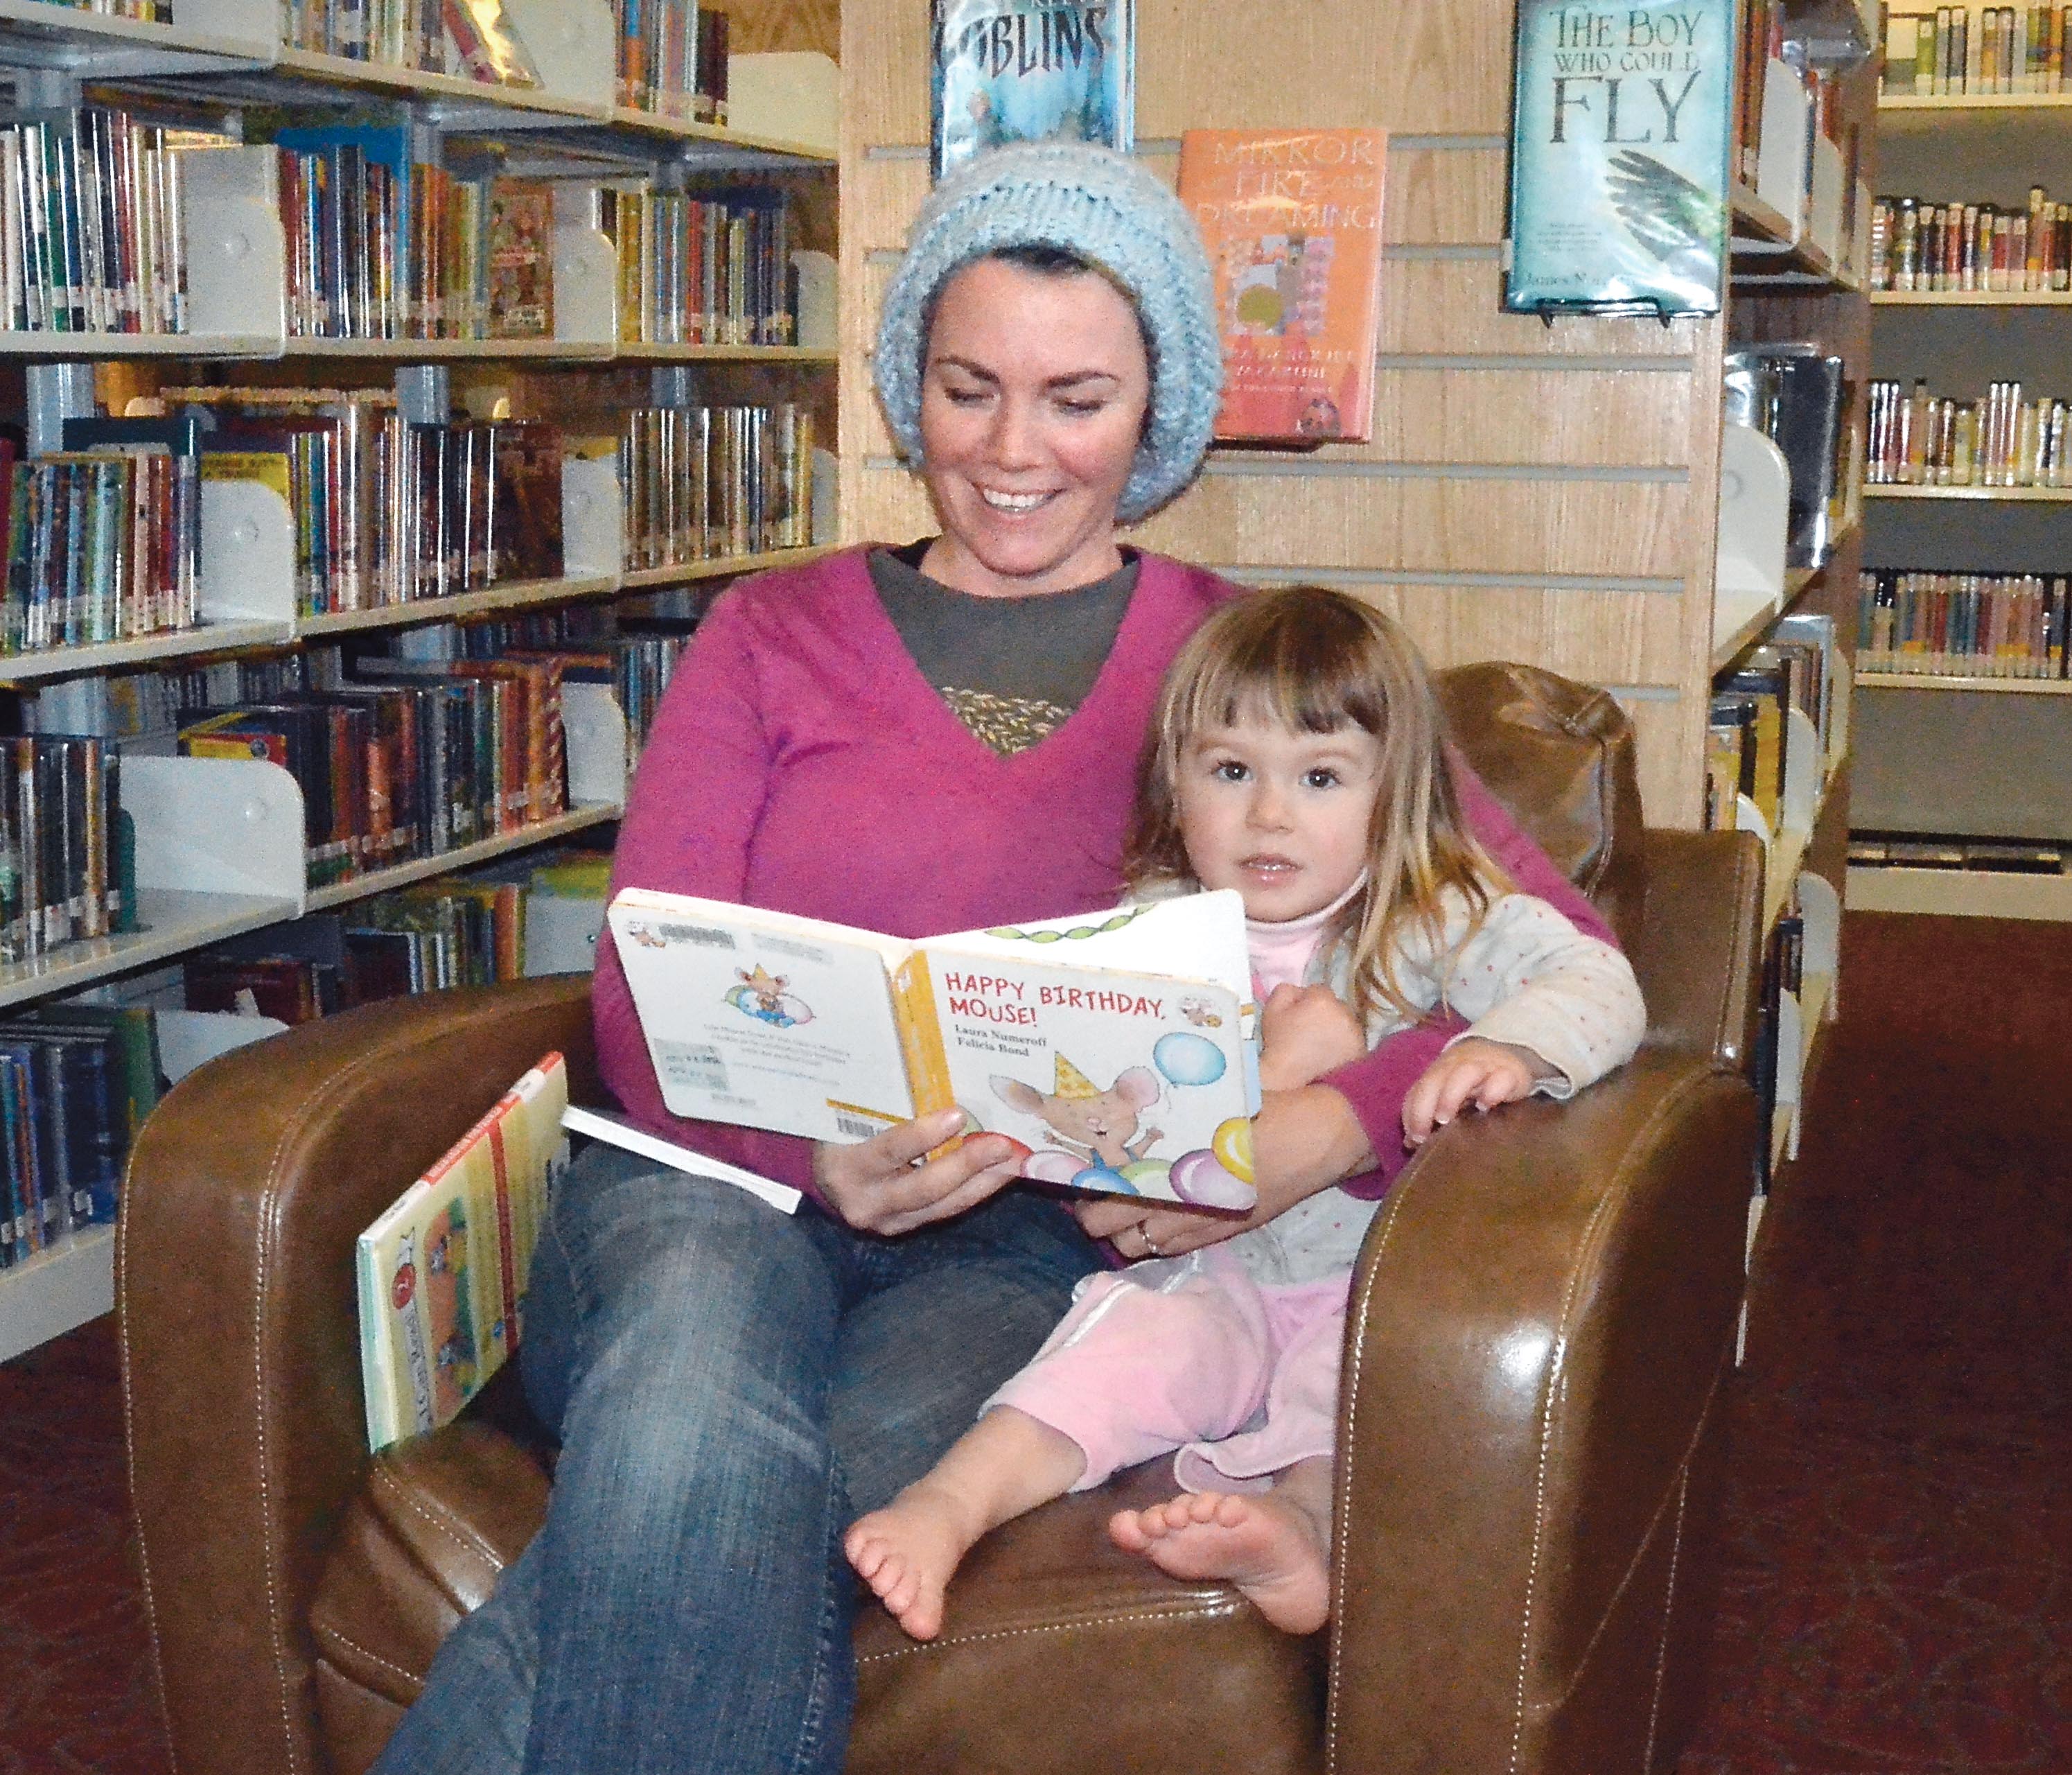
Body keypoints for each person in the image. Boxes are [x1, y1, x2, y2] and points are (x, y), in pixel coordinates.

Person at [371, 143, 1628, 1775]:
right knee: (691, 1418)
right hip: (715, 1188)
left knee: (809, 1479)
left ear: (1155, 409)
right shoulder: (772, 634)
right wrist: (808, 1156)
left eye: (1077, 399)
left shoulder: (1253, 668)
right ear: (910, 388)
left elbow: (1553, 946)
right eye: (968, 391)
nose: (1013, 452)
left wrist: (1331, 1125)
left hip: (1020, 1249)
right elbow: (641, 986)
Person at [843, 587, 1647, 1643]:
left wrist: (1502, 1046)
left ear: (1392, 793)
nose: (1269, 814)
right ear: (1174, 788)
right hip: (1203, 1275)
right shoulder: (1147, 928)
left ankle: (1297, 1531)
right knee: (1107, 1354)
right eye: (1231, 773)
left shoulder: (1434, 912)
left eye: (1318, 778)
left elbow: (1599, 980)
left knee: (1342, 1394)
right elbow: (1110, 1119)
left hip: (1370, 1274)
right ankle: (946, 1504)